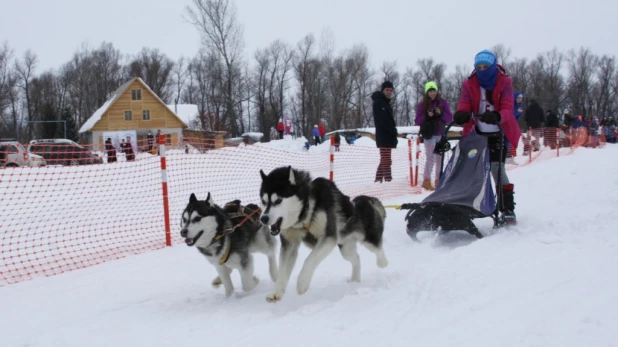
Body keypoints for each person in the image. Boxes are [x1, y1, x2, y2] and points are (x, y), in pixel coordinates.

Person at [452, 50, 521, 225]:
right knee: (470, 168)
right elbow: (465, 102)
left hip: (499, 131)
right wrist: (462, 113)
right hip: (477, 132)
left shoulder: (504, 82)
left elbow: (507, 107)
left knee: (497, 169)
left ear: (492, 66)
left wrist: (498, 116)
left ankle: (507, 208)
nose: (482, 70)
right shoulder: (470, 83)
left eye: (486, 67)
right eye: (479, 67)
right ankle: (467, 205)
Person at [415, 81, 452, 190]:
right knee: (430, 157)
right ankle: (427, 180)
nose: (432, 93)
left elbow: (449, 118)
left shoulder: (443, 103)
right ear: (427, 92)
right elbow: (417, 120)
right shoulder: (422, 105)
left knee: (439, 158)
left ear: (437, 91)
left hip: (440, 133)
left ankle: (438, 179)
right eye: (430, 91)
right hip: (429, 134)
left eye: (434, 90)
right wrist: (427, 115)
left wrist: (441, 114)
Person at [371, 81, 398, 183]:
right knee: (386, 160)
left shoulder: (385, 103)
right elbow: (383, 121)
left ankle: (378, 180)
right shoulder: (379, 102)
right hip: (383, 136)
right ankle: (388, 180)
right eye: (387, 90)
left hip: (388, 136)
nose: (389, 92)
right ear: (383, 90)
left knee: (385, 160)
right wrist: (393, 131)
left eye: (391, 90)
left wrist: (393, 132)